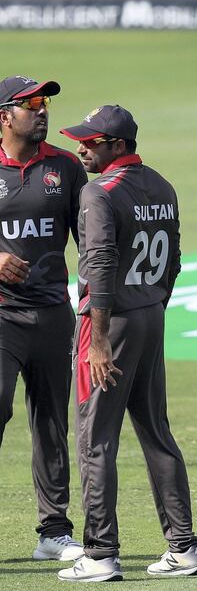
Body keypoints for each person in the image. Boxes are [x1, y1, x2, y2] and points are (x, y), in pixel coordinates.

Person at [56, 106, 197, 581]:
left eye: (93, 141)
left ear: (119, 146)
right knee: (155, 430)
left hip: (109, 321)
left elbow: (97, 264)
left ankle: (100, 554)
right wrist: (154, 304)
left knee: (94, 439)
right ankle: (184, 546)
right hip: (149, 314)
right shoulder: (161, 185)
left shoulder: (98, 192)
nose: (82, 147)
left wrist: (98, 338)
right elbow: (175, 258)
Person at [0, 75, 87, 561]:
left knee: (52, 423)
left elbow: (91, 240)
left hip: (53, 314)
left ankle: (53, 533)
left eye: (46, 101)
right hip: (1, 316)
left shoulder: (66, 167)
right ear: (3, 115)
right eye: (30, 103)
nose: (43, 109)